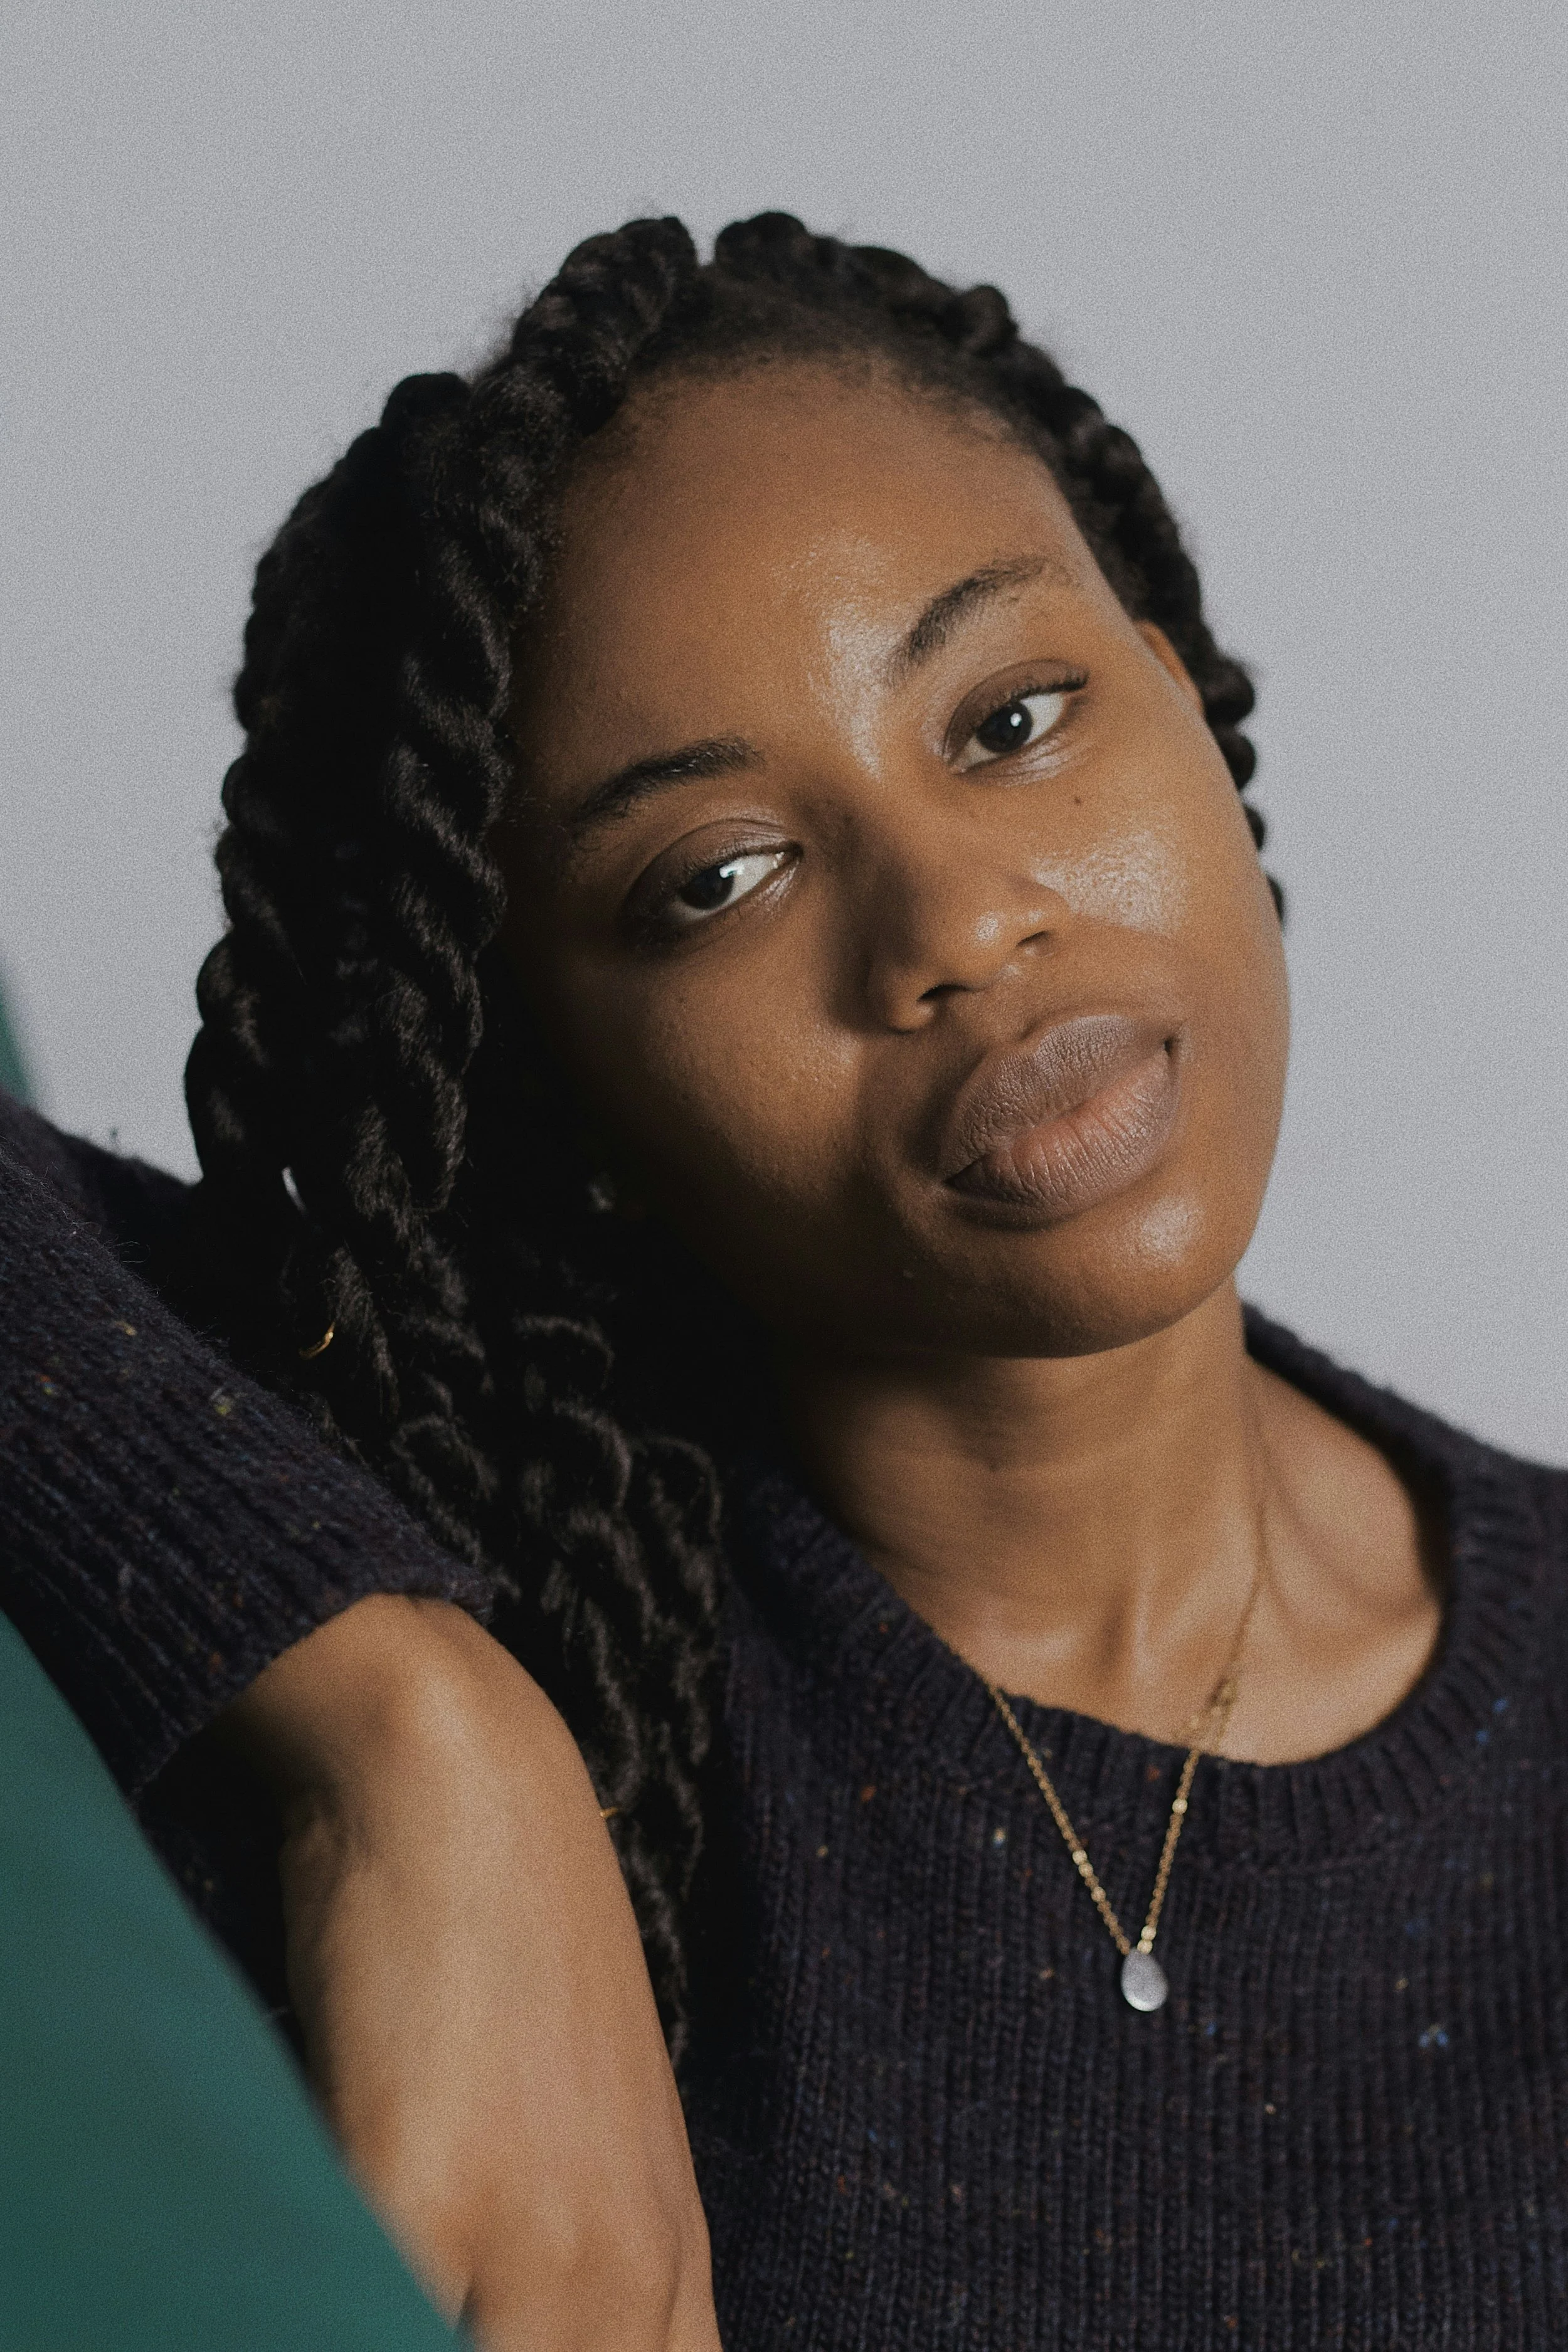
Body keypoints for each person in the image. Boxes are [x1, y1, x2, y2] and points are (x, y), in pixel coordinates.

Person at [4, 211, 1565, 2346]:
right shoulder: (461, 1631)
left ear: (1181, 694)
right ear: (545, 1073)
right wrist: (411, 1721)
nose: (955, 923)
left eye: (1012, 716)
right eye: (715, 877)